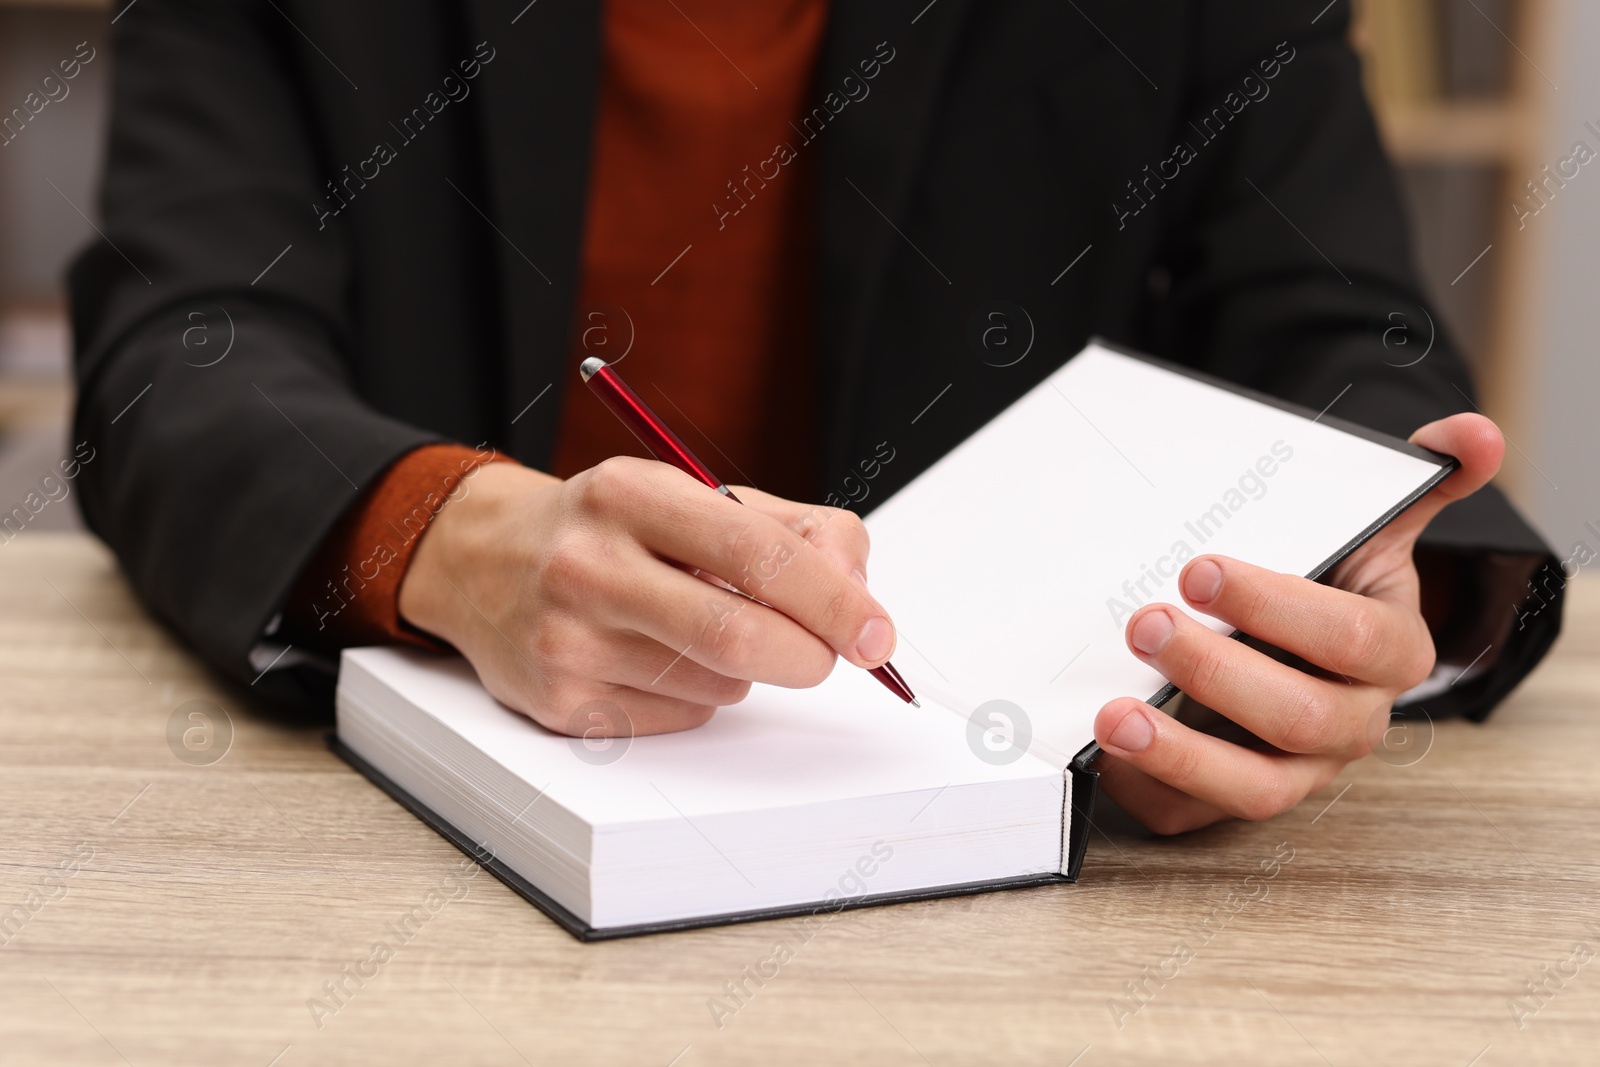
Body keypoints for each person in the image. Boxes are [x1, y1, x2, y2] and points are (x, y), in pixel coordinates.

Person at [69, 0, 1562, 834]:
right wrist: (446, 536)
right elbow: (177, 351)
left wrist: (1362, 585)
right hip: (418, 841)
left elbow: (1352, 342)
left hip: (1035, 866)